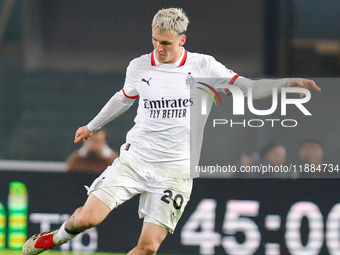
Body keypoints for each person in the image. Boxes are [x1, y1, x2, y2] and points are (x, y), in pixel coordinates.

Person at [22, 8, 321, 255]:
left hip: (176, 171)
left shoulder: (203, 66)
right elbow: (122, 98)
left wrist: (286, 83)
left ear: (182, 40)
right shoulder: (140, 66)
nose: (159, 48)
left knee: (149, 247)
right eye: (155, 41)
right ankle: (54, 239)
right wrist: (92, 126)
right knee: (87, 219)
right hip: (135, 159)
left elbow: (250, 89)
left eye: (166, 43)